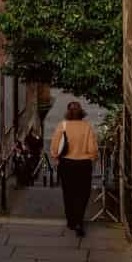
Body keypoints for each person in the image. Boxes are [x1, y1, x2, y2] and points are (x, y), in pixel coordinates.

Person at [49, 100, 98, 238]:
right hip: (83, 165)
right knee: (83, 194)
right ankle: (79, 221)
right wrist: (91, 158)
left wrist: (56, 158)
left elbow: (54, 147)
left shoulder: (62, 125)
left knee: (68, 193)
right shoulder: (87, 127)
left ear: (68, 112)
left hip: (66, 164)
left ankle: (71, 221)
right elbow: (92, 149)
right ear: (81, 112)